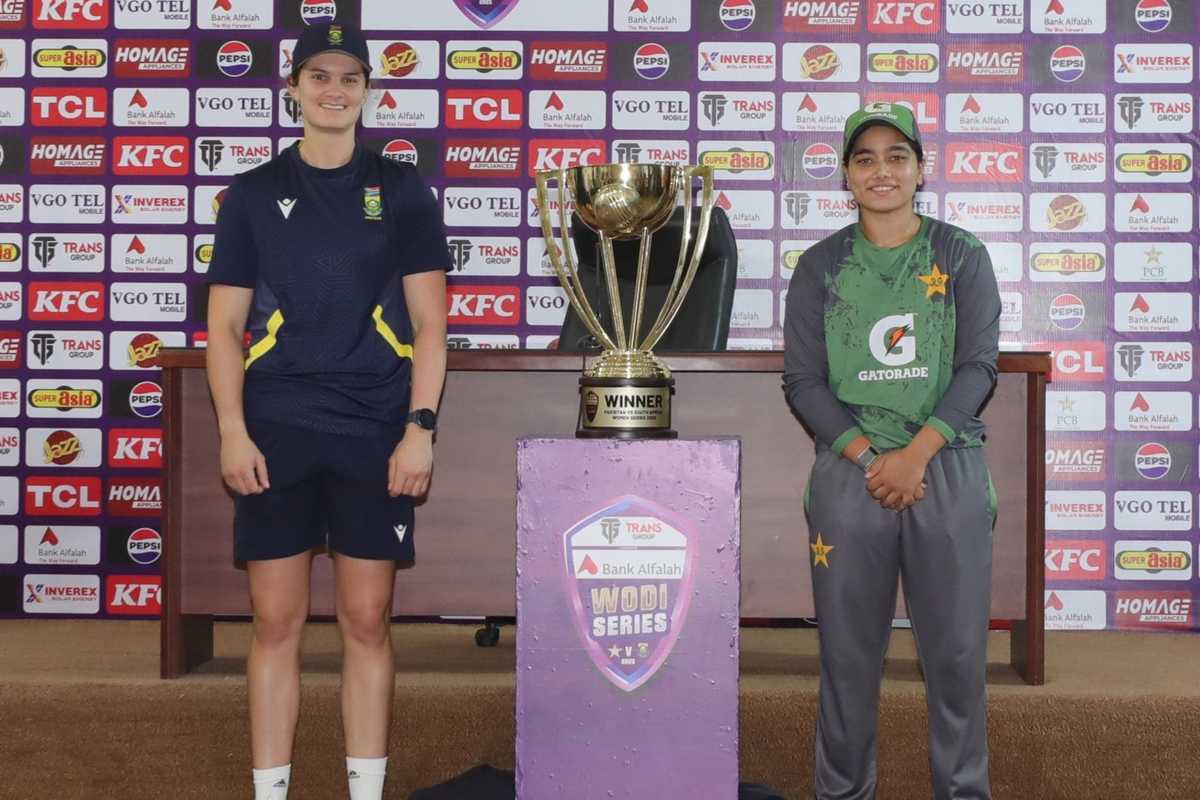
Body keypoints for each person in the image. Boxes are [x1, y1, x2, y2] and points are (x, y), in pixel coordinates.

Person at [204, 22, 451, 800]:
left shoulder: (404, 190)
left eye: (350, 78)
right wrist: (232, 428)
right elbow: (221, 327)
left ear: (368, 91)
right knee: (275, 624)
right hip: (273, 429)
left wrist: (419, 430)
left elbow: (431, 326)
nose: (334, 91)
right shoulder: (249, 193)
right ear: (294, 88)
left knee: (367, 621)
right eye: (319, 77)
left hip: (376, 429)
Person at [783, 103, 1001, 800]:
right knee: (847, 661)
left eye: (897, 156)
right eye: (866, 158)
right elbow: (804, 382)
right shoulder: (819, 266)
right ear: (847, 174)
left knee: (960, 659)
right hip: (852, 474)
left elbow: (978, 367)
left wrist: (916, 454)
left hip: (948, 466)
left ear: (920, 170)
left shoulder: (961, 253)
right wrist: (869, 456)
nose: (883, 171)